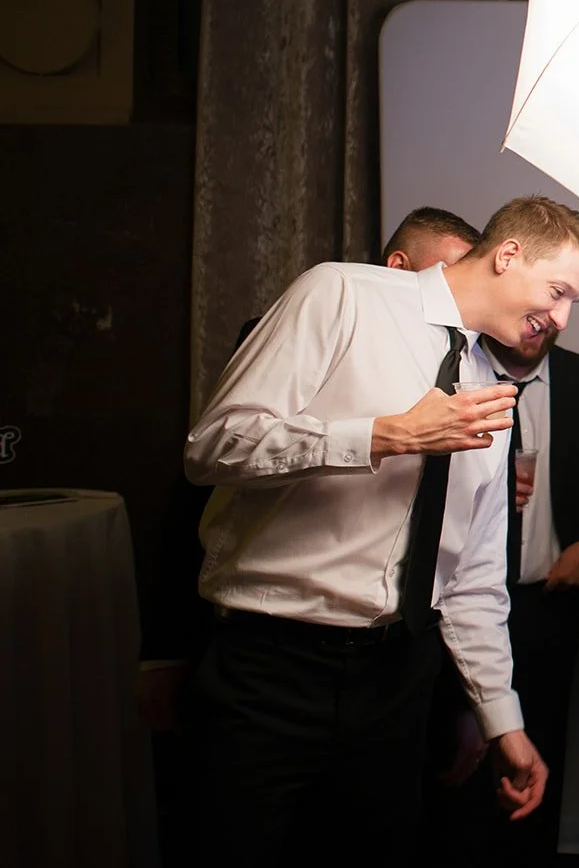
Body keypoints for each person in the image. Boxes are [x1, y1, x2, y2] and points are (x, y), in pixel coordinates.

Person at [182, 195, 579, 864]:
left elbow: (470, 579)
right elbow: (213, 446)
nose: (560, 317)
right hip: (273, 666)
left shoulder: (488, 389)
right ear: (509, 254)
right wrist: (386, 434)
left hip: (397, 680)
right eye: (559, 292)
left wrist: (505, 723)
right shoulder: (341, 294)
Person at [138, 206, 481, 737]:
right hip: (270, 653)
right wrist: (162, 653)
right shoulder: (313, 313)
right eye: (448, 279)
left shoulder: (471, 368)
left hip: (395, 663)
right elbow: (202, 481)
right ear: (399, 266)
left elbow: (455, 553)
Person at [422, 321, 579, 866]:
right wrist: (477, 485)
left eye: (561, 305)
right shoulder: (453, 375)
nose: (543, 322)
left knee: (539, 756)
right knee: (455, 765)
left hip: (547, 607)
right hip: (450, 611)